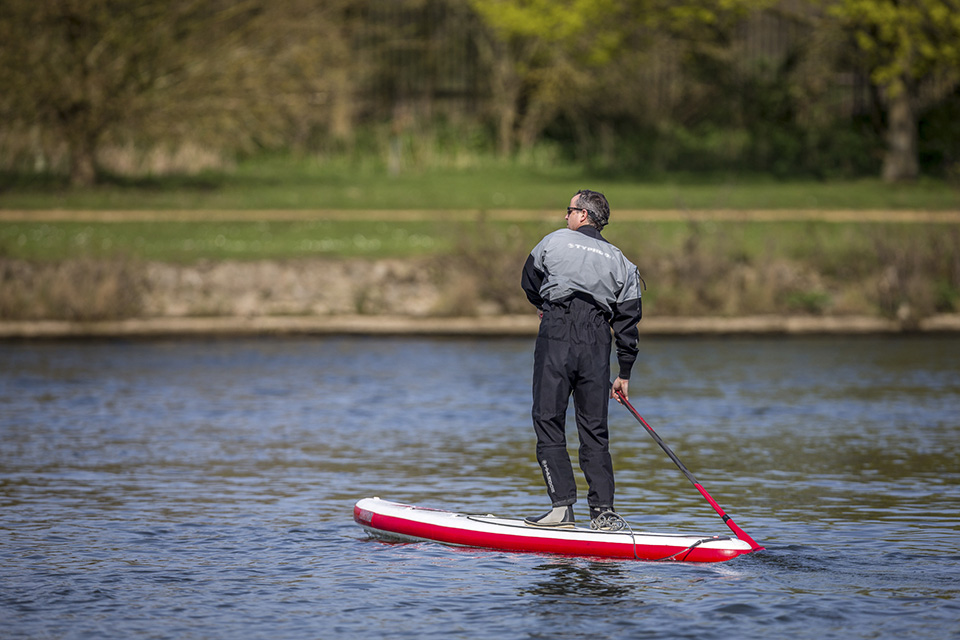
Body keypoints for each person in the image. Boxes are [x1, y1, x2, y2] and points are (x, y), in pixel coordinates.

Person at [520, 189, 642, 529]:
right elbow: (629, 320)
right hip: (597, 340)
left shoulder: (554, 241)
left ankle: (561, 509)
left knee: (548, 418)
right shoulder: (622, 260)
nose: (566, 217)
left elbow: (528, 281)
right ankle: (603, 513)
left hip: (557, 333)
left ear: (583, 215)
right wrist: (625, 373)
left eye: (569, 210)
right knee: (594, 429)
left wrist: (546, 309)